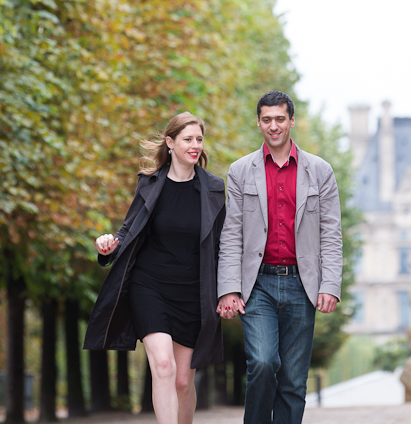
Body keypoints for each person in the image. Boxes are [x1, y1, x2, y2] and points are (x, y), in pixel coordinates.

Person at [83, 112, 226, 424]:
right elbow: (127, 232)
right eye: (188, 139)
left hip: (192, 292)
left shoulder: (214, 189)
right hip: (150, 287)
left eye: (199, 139)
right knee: (163, 366)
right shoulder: (149, 185)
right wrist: (109, 245)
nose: (195, 145)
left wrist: (229, 292)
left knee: (183, 381)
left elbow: (220, 247)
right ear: (170, 142)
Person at [217, 91, 343, 424]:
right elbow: (231, 233)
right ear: (259, 122)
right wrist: (228, 288)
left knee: (293, 381)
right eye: (267, 119)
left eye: (280, 119)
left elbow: (331, 234)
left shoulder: (320, 171)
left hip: (302, 285)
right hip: (256, 284)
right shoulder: (241, 171)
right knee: (262, 362)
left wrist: (329, 285)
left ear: (292, 121)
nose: (274, 126)